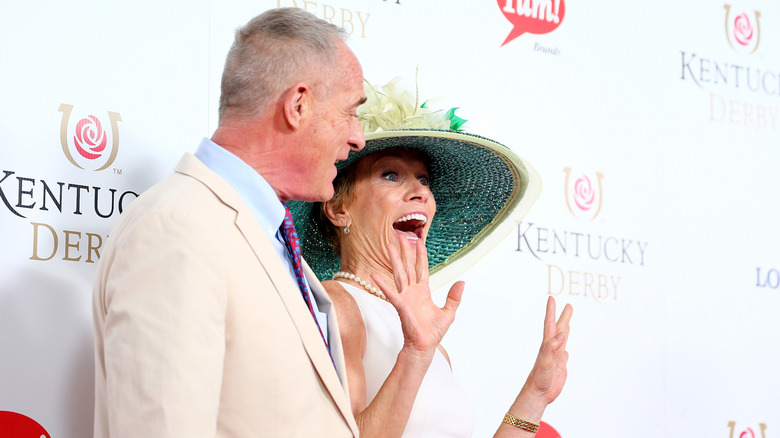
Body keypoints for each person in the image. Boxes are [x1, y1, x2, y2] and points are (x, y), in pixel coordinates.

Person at [92, 8, 366, 437]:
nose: (358, 137)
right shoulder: (178, 227)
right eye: (351, 112)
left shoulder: (264, 236)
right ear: (298, 105)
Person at [289, 79, 574, 437]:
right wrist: (416, 352)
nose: (420, 191)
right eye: (390, 175)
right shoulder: (338, 306)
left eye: (424, 179)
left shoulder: (430, 342)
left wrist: (536, 393)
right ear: (337, 206)